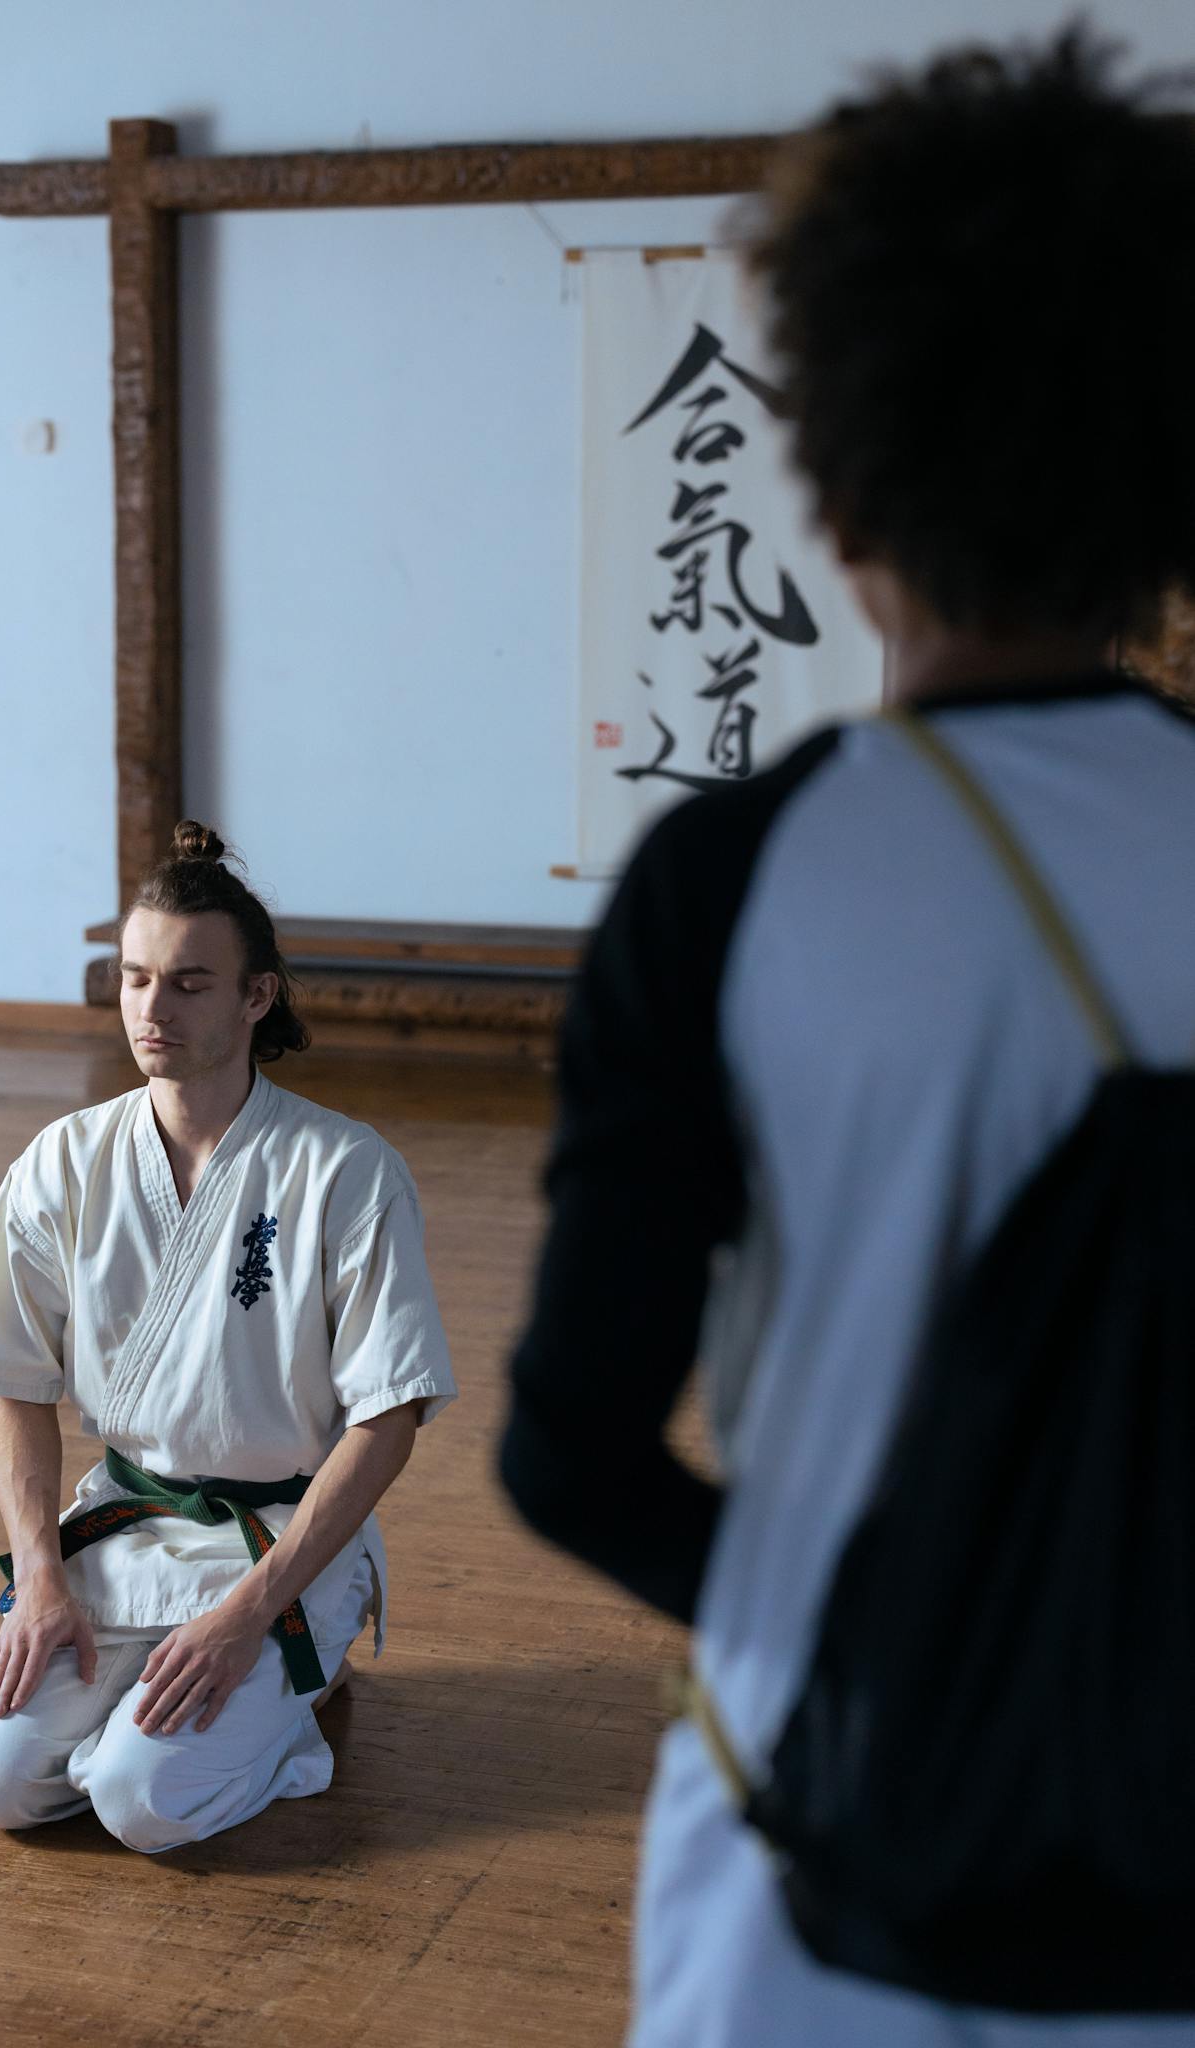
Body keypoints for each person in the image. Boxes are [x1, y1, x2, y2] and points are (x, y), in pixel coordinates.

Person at [501, 26, 1195, 2046]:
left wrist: (877, 1622)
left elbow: (570, 1450)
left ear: (828, 468)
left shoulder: (733, 879)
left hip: (816, 1841)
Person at [0, 821, 455, 1853]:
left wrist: (253, 1612)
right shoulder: (63, 1161)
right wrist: (39, 1574)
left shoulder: (343, 1170)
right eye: (134, 978)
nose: (151, 1009)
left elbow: (390, 1416)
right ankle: (151, 1693)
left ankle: (301, 1695)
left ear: (257, 996)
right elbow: (13, 1378)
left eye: (187, 982)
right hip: (129, 1523)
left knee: (140, 1799)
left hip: (282, 1541)